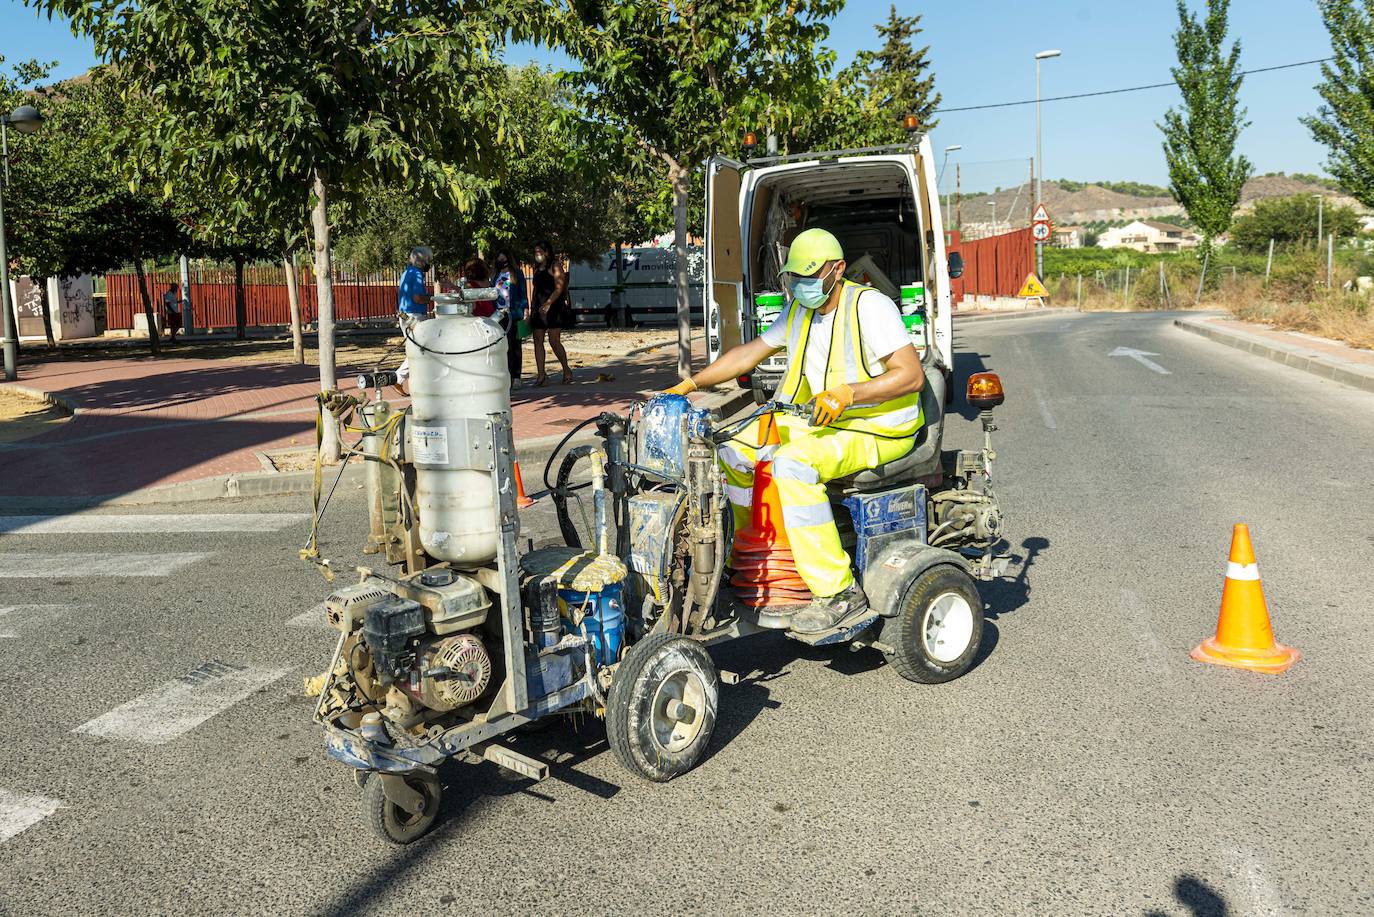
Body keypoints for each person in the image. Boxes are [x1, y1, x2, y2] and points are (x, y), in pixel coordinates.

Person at [663, 228, 926, 634]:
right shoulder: (800, 311)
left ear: (837, 270)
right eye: (795, 277)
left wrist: (849, 393)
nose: (801, 285)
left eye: (809, 275)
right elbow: (748, 354)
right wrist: (690, 385)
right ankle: (751, 557)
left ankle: (837, 592)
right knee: (729, 450)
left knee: (791, 465)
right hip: (824, 420)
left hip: (877, 427)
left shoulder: (870, 308)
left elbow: (911, 376)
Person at [530, 239, 574, 386]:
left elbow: (559, 287)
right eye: (535, 252)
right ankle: (541, 375)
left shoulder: (555, 266)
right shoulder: (536, 268)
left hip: (553, 307)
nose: (537, 254)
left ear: (546, 252)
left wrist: (549, 302)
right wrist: (533, 308)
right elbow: (535, 290)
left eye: (539, 251)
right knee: (537, 340)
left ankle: (566, 369)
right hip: (538, 308)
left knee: (554, 341)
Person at [491, 250, 528, 384]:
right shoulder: (495, 275)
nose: (501, 262)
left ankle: (516, 376)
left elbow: (523, 293)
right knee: (503, 345)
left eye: (503, 259)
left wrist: (525, 310)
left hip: (513, 313)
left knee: (515, 345)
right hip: (498, 314)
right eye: (499, 259)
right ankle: (506, 375)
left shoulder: (516, 273)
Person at [398, 246, 433, 317]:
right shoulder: (417, 274)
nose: (429, 264)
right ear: (422, 261)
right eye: (428, 260)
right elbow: (417, 298)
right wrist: (432, 298)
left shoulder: (407, 272)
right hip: (415, 315)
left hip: (404, 315)